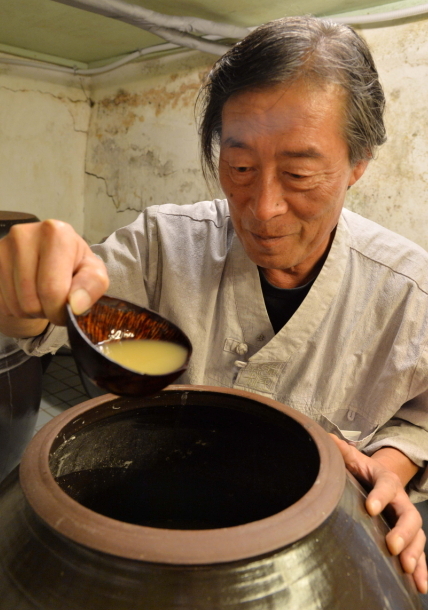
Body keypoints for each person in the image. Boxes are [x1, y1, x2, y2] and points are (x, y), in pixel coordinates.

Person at [0, 15, 427, 594]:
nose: (263, 207)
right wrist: (19, 294)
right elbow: (50, 320)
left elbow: (420, 415)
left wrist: (393, 465)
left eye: (299, 173)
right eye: (241, 166)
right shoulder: (160, 247)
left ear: (359, 163)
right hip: (141, 561)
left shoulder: (410, 293)